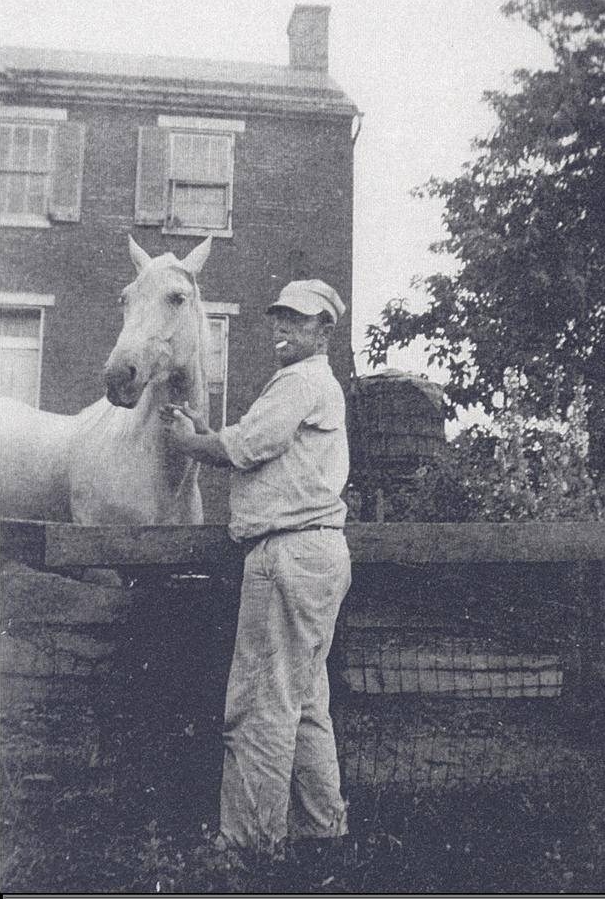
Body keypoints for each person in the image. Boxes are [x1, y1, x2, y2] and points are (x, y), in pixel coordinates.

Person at [159, 279, 352, 859]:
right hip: (318, 553)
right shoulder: (316, 384)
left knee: (261, 704)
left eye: (299, 320)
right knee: (305, 700)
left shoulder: (301, 380)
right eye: (279, 317)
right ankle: (324, 831)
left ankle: (247, 845)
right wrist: (206, 430)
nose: (283, 328)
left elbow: (245, 447)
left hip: (287, 553)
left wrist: (190, 442)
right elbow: (257, 442)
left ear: (325, 331)